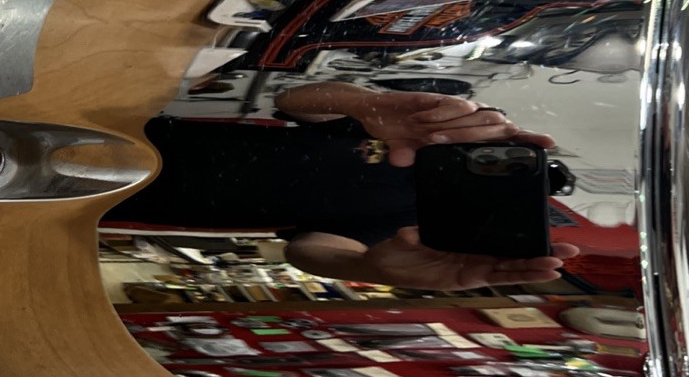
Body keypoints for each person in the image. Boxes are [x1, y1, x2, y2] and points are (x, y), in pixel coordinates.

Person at [108, 81, 577, 290]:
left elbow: (308, 250)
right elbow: (292, 100)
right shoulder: (420, 137)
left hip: (131, 198)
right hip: (141, 134)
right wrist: (365, 102)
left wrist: (372, 269)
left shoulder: (424, 225)